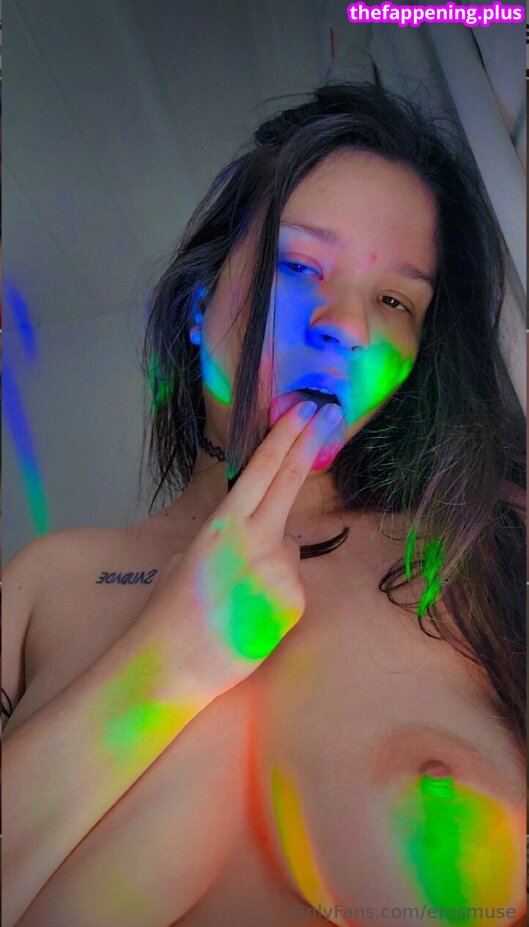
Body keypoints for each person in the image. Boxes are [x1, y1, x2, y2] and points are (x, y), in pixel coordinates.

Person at [3, 82, 525, 927]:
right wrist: (166, 661)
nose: (348, 327)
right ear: (197, 305)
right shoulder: (43, 582)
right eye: (300, 265)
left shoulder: (480, 546)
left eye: (394, 300)